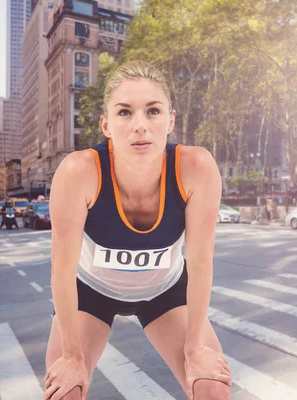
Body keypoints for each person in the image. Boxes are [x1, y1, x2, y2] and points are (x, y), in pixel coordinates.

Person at [44, 60, 232, 400]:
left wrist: (194, 349)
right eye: (125, 112)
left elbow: (201, 263)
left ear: (171, 119)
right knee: (65, 391)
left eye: (153, 111)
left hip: (165, 291)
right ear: (106, 124)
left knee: (212, 387)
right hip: (91, 292)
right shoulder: (78, 172)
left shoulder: (196, 167)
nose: (140, 125)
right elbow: (61, 270)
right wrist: (72, 356)